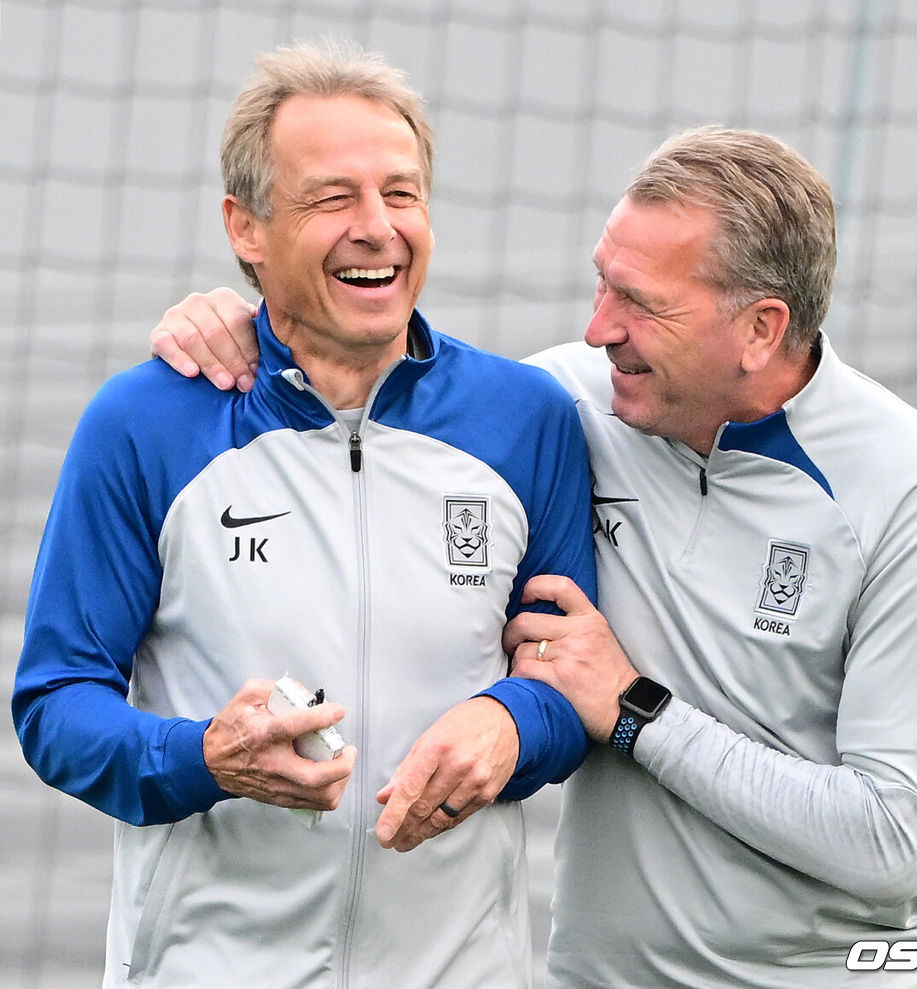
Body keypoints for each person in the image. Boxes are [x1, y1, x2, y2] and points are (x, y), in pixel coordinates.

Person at [148, 126, 917, 988]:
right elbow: (377, 391)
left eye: (639, 302)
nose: (597, 329)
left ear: (760, 328)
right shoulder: (567, 407)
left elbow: (889, 841)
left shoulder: (914, 487)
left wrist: (636, 711)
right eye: (601, 281)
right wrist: (243, 321)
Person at [12, 40, 596, 989]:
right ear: (247, 228)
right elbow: (55, 705)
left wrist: (511, 724)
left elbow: (569, 679)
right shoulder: (145, 423)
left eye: (401, 194)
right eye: (333, 198)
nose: (379, 228)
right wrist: (206, 756)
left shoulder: (525, 419)